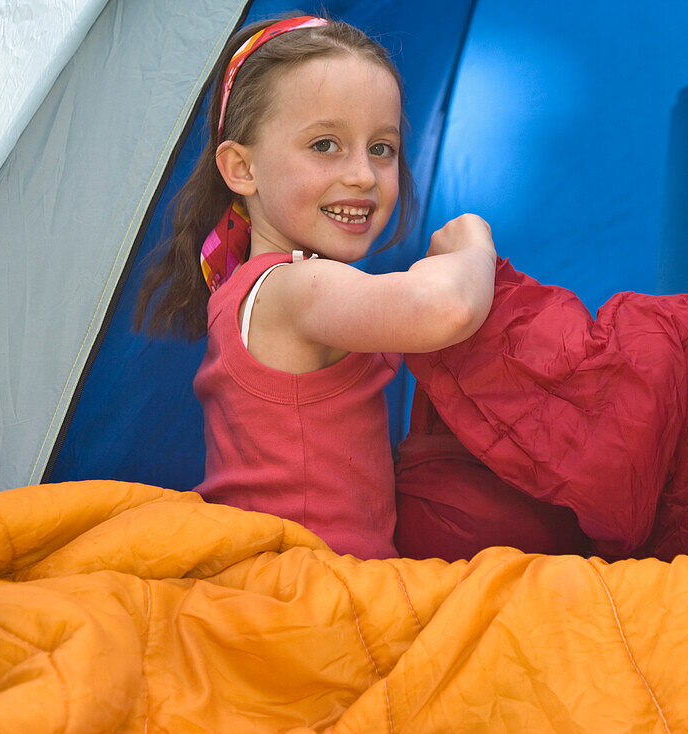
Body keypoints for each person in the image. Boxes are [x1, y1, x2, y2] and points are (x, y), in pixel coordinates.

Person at [134, 15, 497, 559]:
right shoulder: (293, 290)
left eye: (382, 148)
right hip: (314, 593)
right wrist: (475, 243)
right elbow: (445, 308)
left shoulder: (249, 288)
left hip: (296, 579)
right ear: (242, 168)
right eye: (325, 144)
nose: (363, 176)